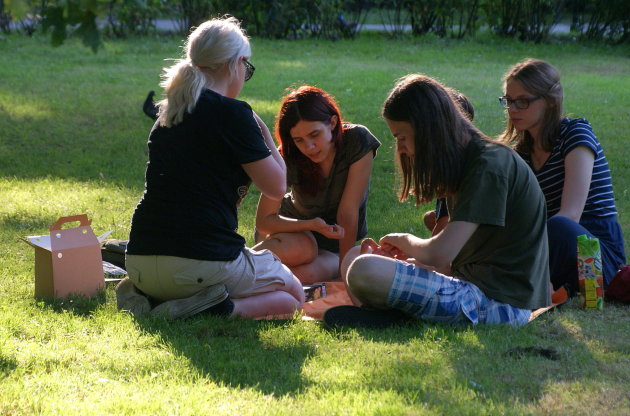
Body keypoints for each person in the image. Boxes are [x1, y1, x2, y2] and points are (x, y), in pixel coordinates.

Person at [326, 74, 550, 328]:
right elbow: (449, 262)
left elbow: (440, 253)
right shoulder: (469, 162)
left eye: (401, 137)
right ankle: (388, 316)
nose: (400, 149)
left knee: (365, 269)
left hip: (499, 305)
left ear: (426, 130)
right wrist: (410, 261)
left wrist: (404, 241)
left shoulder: (489, 166)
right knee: (355, 256)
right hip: (469, 288)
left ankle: (394, 317)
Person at [117, 17, 305, 319]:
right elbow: (277, 186)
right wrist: (264, 132)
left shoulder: (169, 113)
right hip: (201, 261)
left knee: (185, 275)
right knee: (292, 297)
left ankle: (146, 297)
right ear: (236, 64)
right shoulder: (234, 114)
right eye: (248, 67)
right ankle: (217, 308)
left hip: (140, 260)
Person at [499, 58, 626, 296]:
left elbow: (571, 216)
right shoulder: (521, 152)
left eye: (523, 101)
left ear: (549, 101)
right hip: (552, 246)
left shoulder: (575, 134)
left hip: (594, 250)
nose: (513, 109)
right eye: (508, 101)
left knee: (558, 226)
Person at [253, 86, 381, 284]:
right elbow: (264, 221)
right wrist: (311, 224)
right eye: (299, 140)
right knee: (304, 248)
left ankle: (249, 278)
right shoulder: (289, 155)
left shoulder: (357, 141)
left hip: (331, 247)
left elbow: (347, 213)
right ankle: (236, 269)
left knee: (307, 277)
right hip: (290, 235)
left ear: (332, 122)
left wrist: (343, 272)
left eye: (314, 135)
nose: (309, 147)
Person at [422, 91, 475, 236]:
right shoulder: (462, 153)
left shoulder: (455, 165)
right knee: (430, 218)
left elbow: (445, 222)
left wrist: (414, 253)